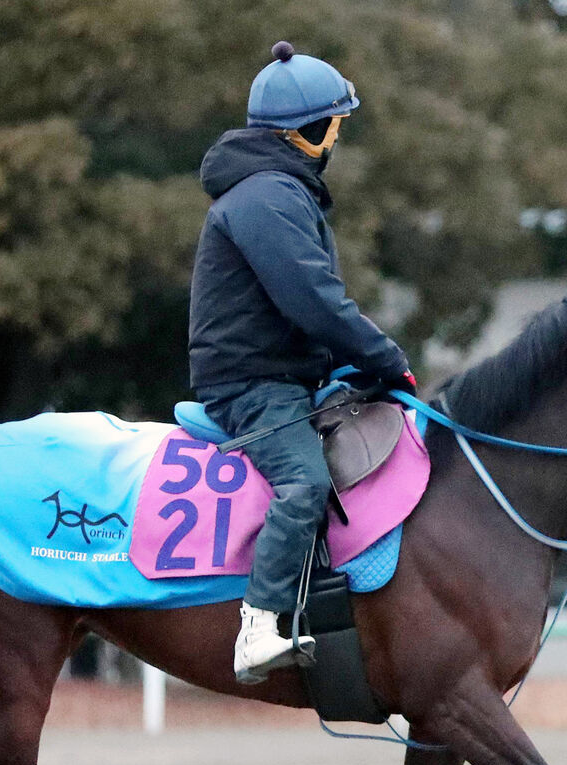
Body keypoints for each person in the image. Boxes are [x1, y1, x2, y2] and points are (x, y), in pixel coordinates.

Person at [188, 41, 416, 684]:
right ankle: (259, 625)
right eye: (336, 125)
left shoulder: (279, 190)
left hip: (288, 375)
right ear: (311, 132)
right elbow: (315, 301)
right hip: (251, 387)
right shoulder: (266, 196)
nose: (338, 135)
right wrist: (386, 357)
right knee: (307, 483)